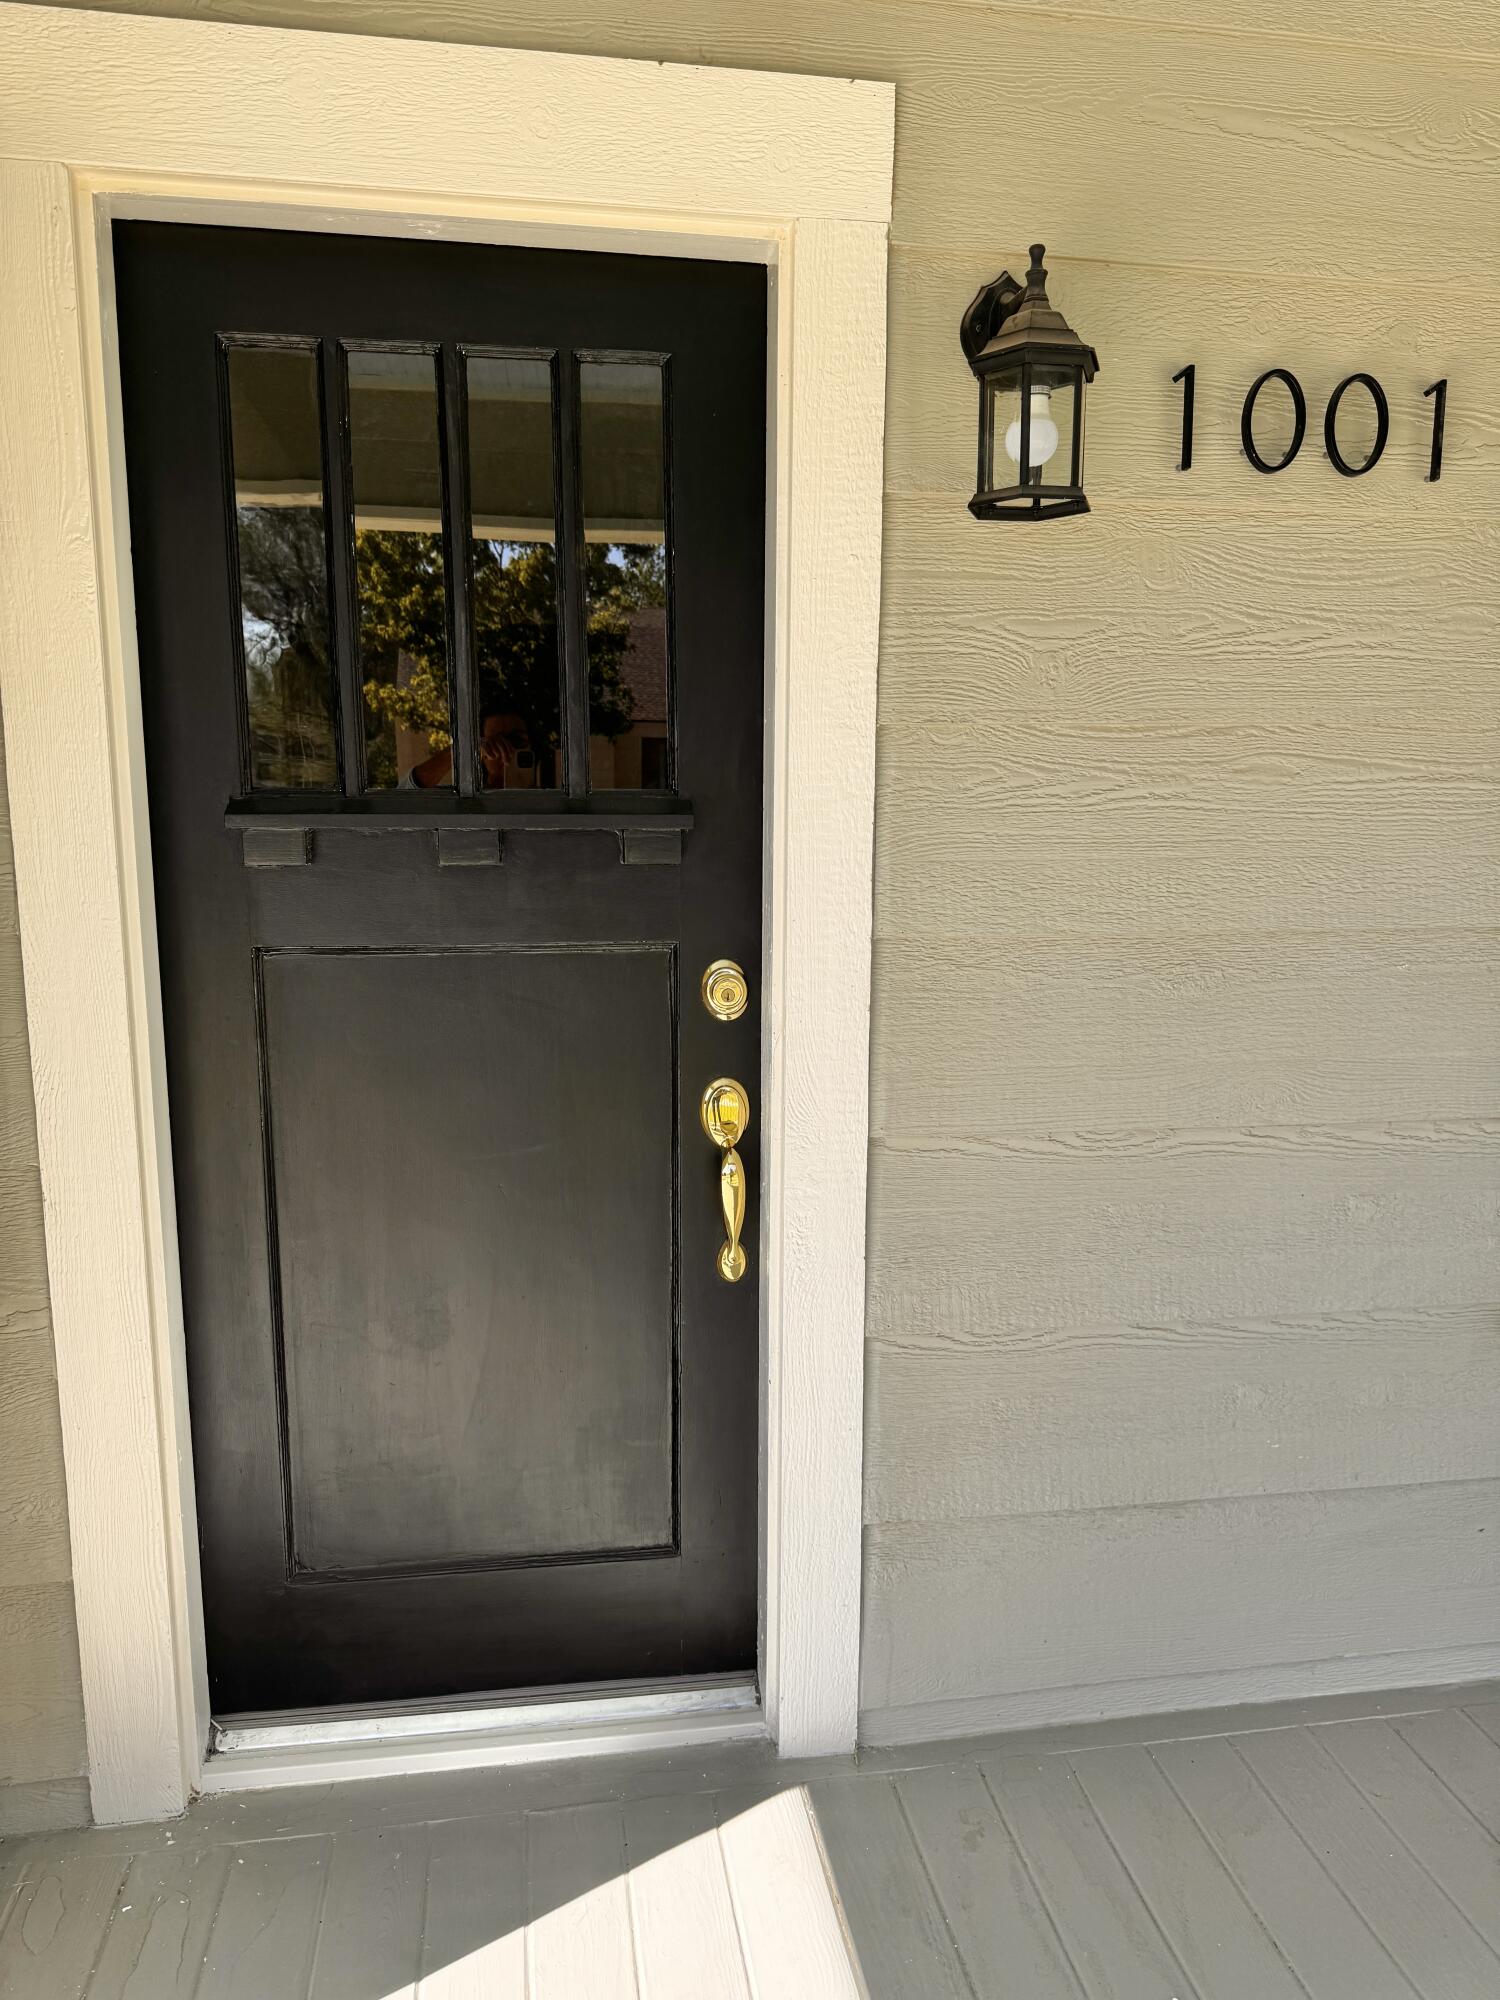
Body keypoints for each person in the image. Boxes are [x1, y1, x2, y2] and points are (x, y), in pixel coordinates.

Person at [400, 702, 535, 789]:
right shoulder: (466, 799)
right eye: (495, 742)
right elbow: (405, 798)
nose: (505, 749)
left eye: (517, 740)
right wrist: (467, 749)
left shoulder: (553, 796)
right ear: (482, 753)